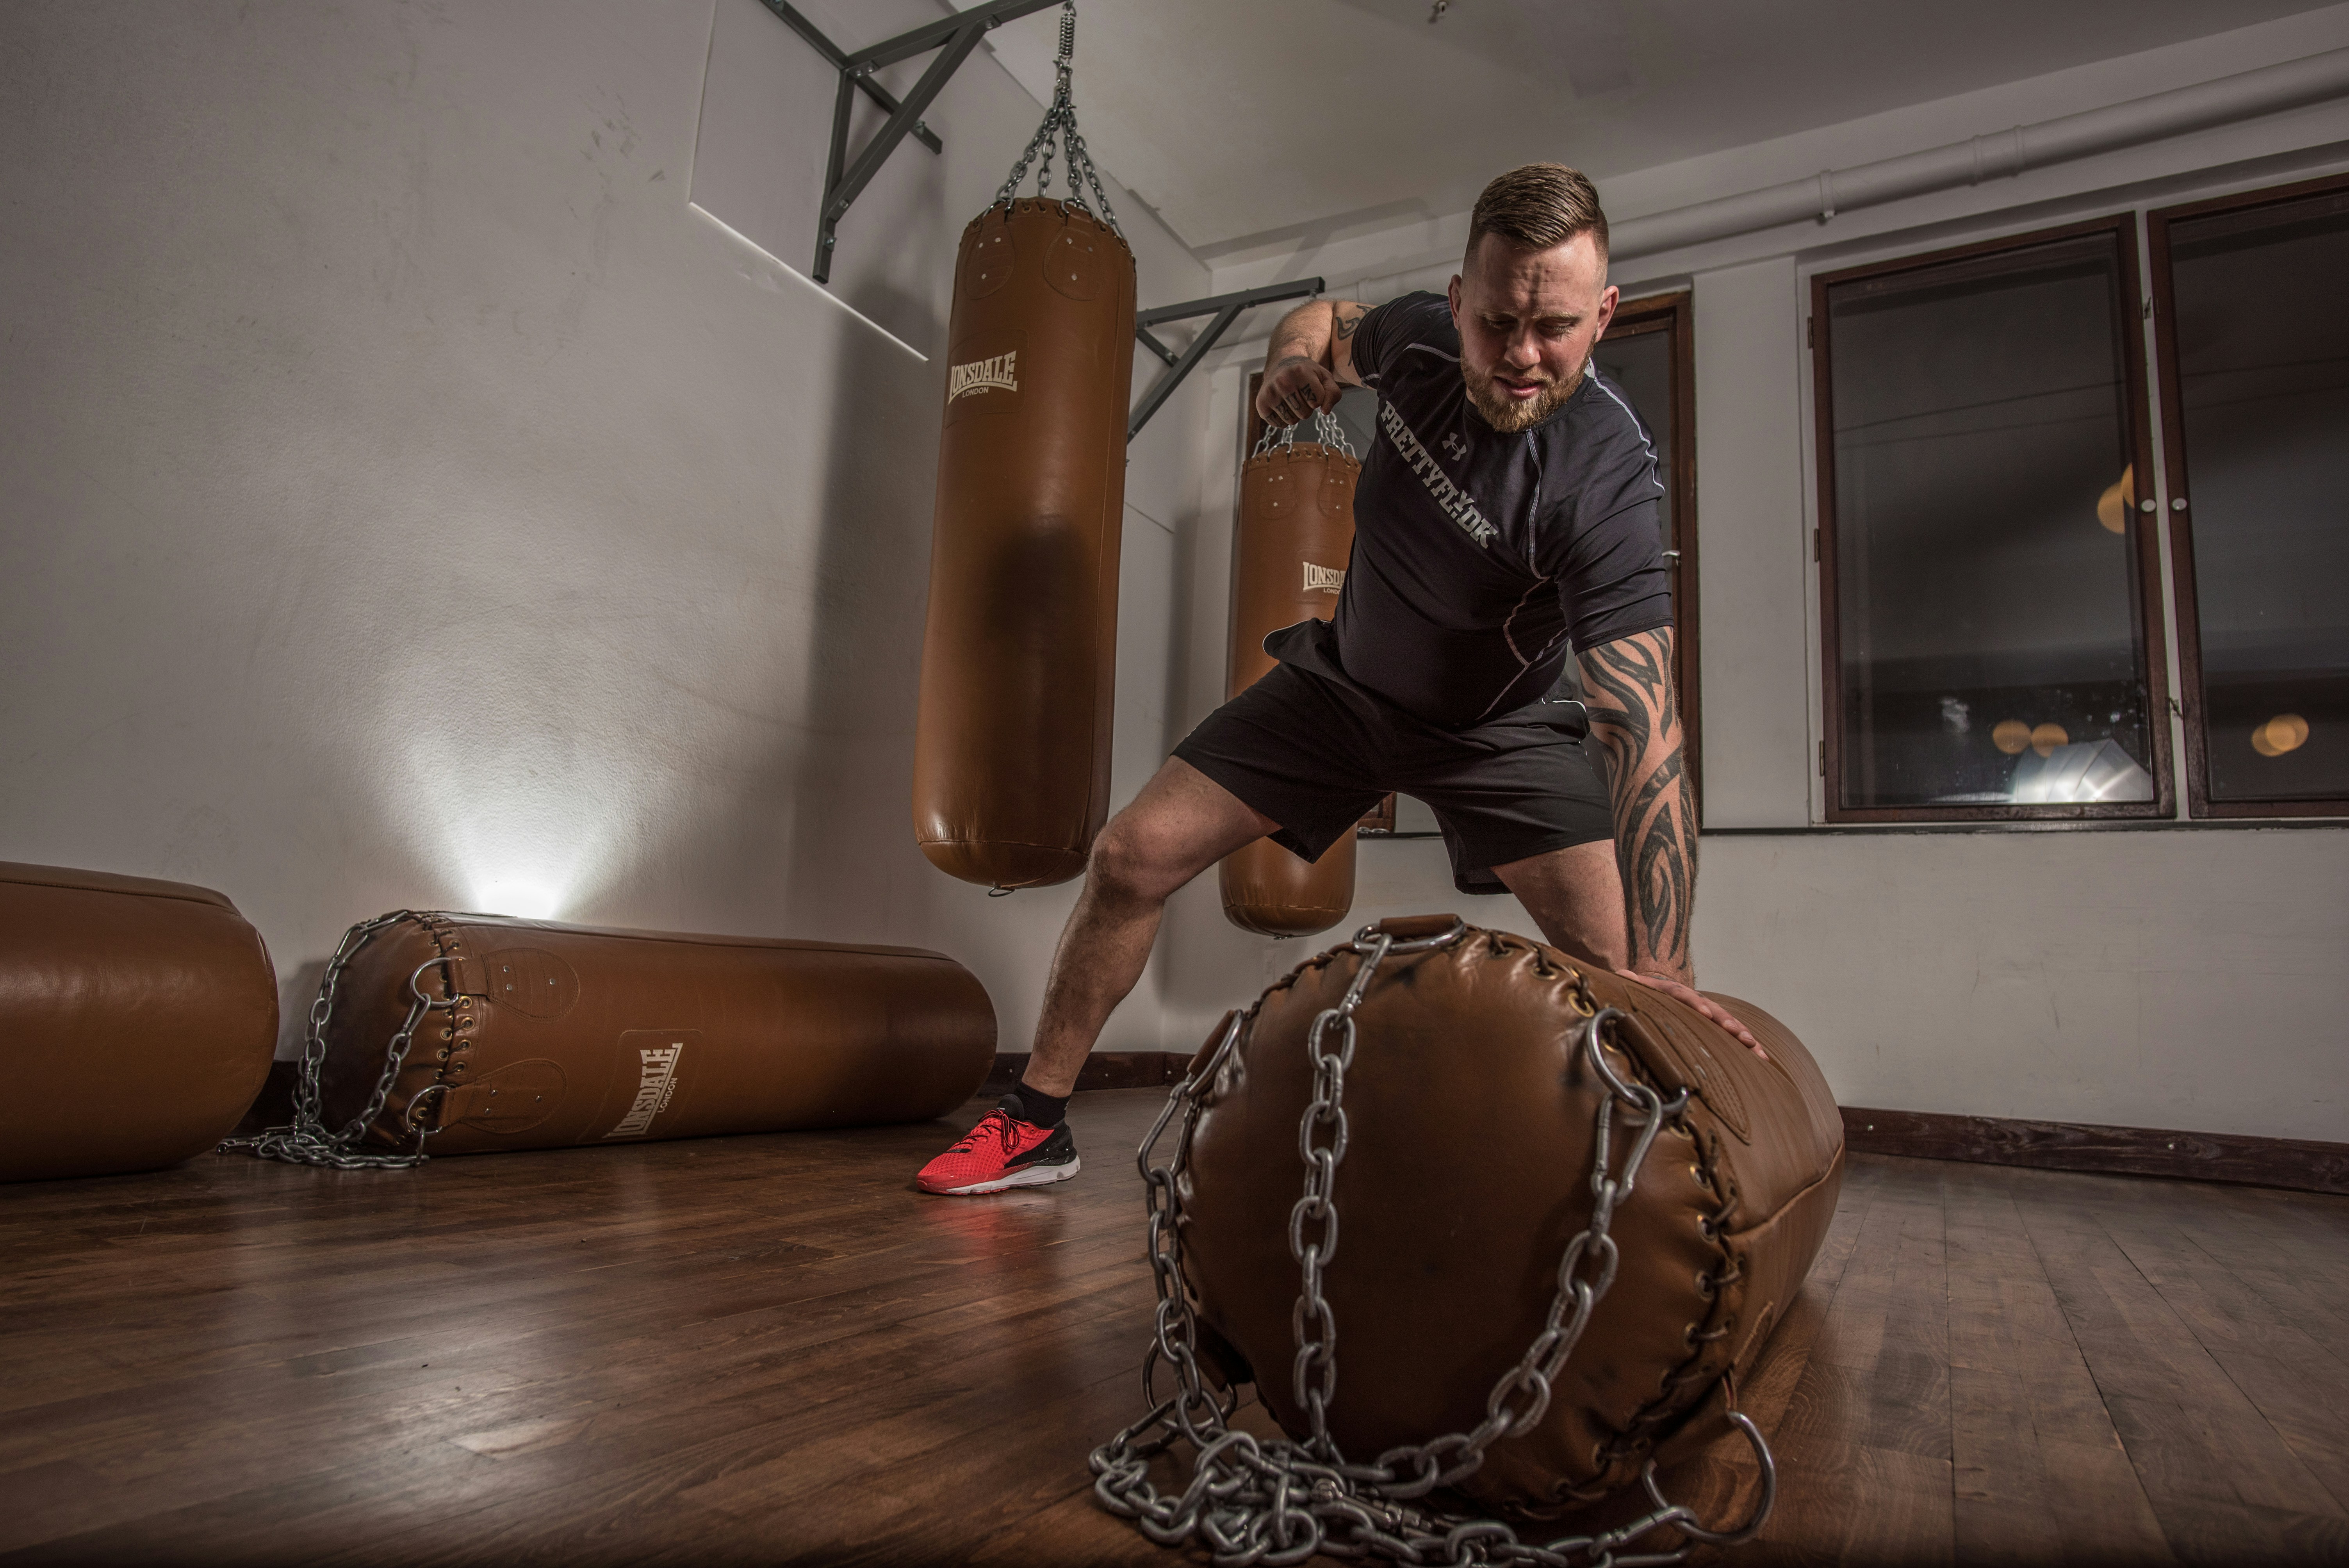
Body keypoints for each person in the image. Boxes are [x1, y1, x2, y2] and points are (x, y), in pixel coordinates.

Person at [917, 162, 1754, 1197]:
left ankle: (1688, 1188)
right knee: (1130, 858)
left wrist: (1666, 964)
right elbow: (1321, 320)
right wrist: (1289, 362)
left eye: (1558, 328)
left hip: (1501, 729)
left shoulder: (1606, 482)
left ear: (1606, 315)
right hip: (1342, 692)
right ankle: (1037, 1123)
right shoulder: (1413, 342)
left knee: (1633, 974)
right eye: (1498, 324)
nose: (1523, 356)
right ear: (1458, 303)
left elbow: (1644, 725)